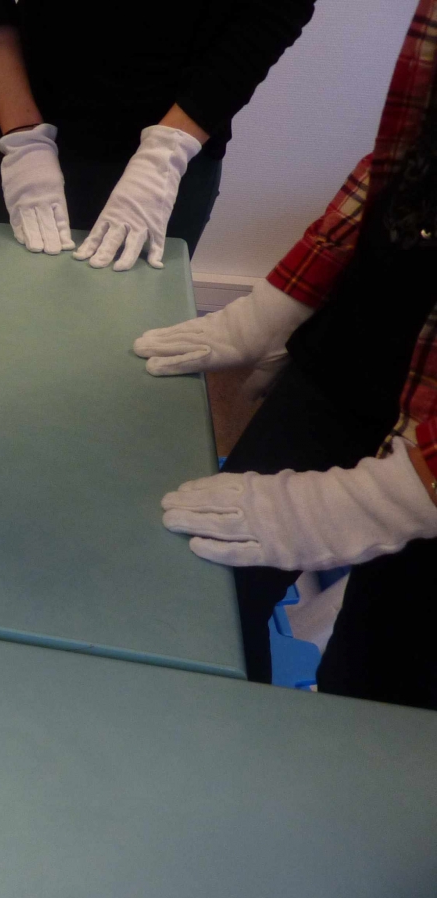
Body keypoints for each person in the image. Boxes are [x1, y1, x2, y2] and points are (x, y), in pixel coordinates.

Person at [134, 0, 437, 710]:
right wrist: (281, 301)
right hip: (362, 346)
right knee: (200, 586)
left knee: (380, 689)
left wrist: (385, 502)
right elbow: (405, 154)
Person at [0, 0, 315, 270]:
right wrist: (25, 139)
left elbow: (273, 11)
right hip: (31, 135)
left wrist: (165, 153)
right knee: (18, 304)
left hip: (178, 143)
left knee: (134, 317)